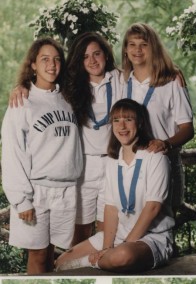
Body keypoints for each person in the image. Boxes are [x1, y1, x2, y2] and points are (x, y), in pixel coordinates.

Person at [8, 32, 124, 245]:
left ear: (106, 55)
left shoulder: (118, 79)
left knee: (106, 230)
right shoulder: (72, 87)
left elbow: (145, 71)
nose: (92, 60)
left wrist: (172, 72)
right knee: (76, 235)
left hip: (111, 161)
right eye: (85, 56)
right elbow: (43, 91)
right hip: (81, 168)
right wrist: (22, 86)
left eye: (97, 54)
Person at [55, 98, 175, 273]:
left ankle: (90, 261)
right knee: (62, 262)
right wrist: (106, 247)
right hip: (119, 233)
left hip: (151, 237)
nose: (122, 126)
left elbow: (153, 207)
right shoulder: (113, 161)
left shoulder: (155, 157)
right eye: (116, 120)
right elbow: (110, 208)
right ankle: (102, 257)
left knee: (122, 256)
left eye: (128, 119)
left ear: (139, 123)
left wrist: (121, 246)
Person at [1, 37, 83, 275]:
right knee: (37, 255)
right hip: (36, 191)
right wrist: (21, 199)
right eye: (45, 59)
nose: (52, 64)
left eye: (57, 59)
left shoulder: (67, 100)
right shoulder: (22, 102)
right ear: (33, 65)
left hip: (66, 189)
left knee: (51, 254)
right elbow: (13, 151)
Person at [121, 23, 194, 211]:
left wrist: (166, 143)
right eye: (132, 44)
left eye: (143, 44)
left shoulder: (171, 80)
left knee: (163, 228)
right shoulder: (123, 80)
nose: (137, 50)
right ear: (125, 49)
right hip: (132, 166)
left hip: (164, 163)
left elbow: (188, 129)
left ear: (153, 47)